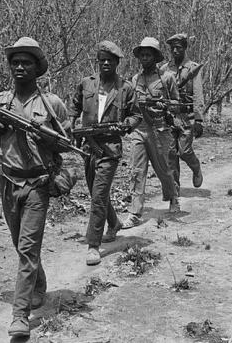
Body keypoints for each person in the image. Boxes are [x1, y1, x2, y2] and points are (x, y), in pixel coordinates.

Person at [0, 37, 73, 337]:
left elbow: (66, 144)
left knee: (28, 249)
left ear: (37, 68)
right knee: (20, 245)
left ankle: (20, 316)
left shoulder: (51, 104)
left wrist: (44, 136)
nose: (19, 67)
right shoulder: (0, 102)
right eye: (15, 61)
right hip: (7, 182)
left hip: (37, 185)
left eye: (26, 62)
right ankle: (38, 285)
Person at [69, 41, 141, 266]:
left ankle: (93, 244)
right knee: (94, 191)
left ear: (117, 63)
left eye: (110, 60)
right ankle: (114, 222)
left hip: (110, 148)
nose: (106, 63)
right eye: (102, 60)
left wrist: (125, 125)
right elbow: (74, 106)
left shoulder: (125, 88)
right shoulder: (86, 84)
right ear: (97, 61)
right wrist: (71, 126)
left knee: (99, 195)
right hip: (88, 147)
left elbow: (136, 115)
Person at [124, 37, 180, 228]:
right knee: (137, 171)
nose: (145, 58)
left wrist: (165, 105)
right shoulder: (134, 80)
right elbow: (130, 106)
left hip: (159, 129)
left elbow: (176, 104)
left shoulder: (167, 78)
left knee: (163, 168)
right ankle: (135, 212)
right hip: (139, 129)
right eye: (142, 55)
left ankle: (173, 196)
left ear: (156, 57)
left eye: (149, 54)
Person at [161, 33, 204, 191]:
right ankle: (174, 187)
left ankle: (196, 167)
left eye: (179, 47)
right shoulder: (164, 69)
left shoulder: (193, 68)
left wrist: (199, 119)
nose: (175, 51)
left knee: (184, 151)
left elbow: (198, 94)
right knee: (171, 153)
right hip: (170, 117)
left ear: (185, 48)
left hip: (187, 117)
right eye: (173, 48)